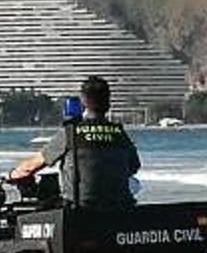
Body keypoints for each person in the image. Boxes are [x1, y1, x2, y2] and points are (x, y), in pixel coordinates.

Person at [8, 75, 141, 209]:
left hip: (79, 209)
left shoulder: (71, 132)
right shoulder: (120, 133)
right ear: (108, 104)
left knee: (45, 201)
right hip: (118, 208)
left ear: (83, 103)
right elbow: (134, 166)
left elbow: (32, 166)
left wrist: (12, 175)